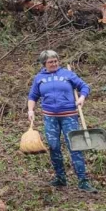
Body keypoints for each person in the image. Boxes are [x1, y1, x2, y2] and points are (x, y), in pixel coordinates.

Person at [26, 50, 96, 193]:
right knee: (54, 147)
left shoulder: (67, 74)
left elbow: (84, 87)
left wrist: (82, 98)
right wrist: (31, 110)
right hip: (50, 118)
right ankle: (60, 178)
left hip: (69, 116)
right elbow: (33, 96)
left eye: (56, 61)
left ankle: (83, 180)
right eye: (50, 62)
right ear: (44, 64)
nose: (54, 64)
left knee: (75, 146)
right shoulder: (39, 78)